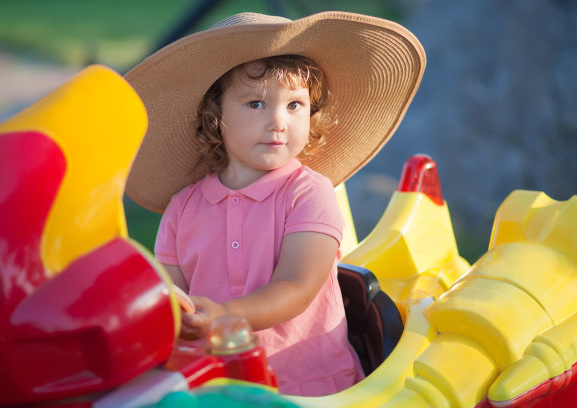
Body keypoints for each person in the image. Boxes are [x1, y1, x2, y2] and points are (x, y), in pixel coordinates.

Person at [124, 11, 425, 396]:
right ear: (215, 115)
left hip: (309, 386)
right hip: (214, 386)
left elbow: (296, 286)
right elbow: (170, 296)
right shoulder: (183, 208)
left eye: (295, 105)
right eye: (255, 104)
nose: (278, 122)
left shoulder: (309, 193)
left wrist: (225, 315)